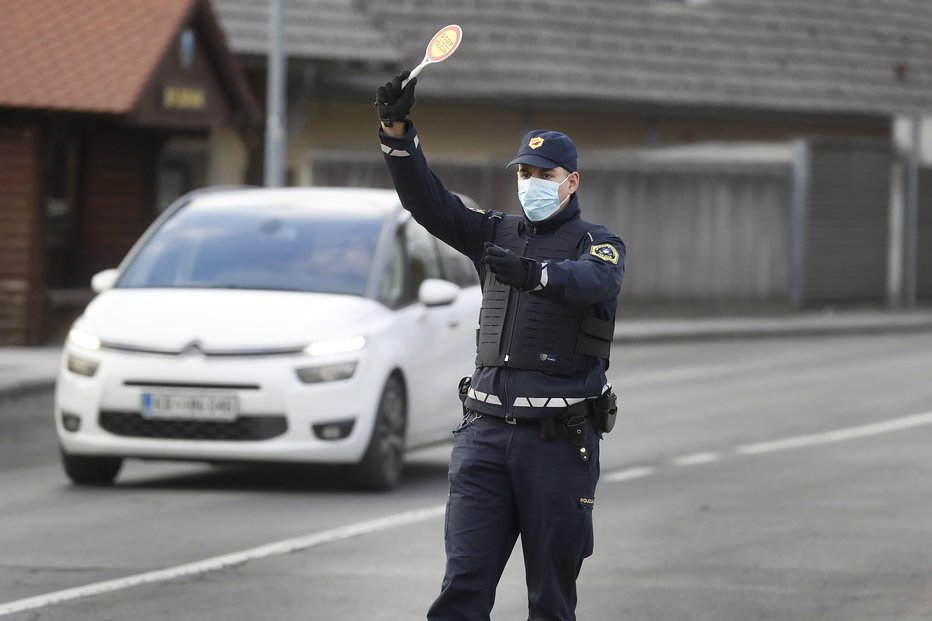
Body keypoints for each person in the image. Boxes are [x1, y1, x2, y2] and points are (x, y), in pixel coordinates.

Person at [376, 72, 625, 621]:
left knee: (550, 601)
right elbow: (429, 201)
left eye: (544, 173)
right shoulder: (494, 232)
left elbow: (594, 282)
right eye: (524, 172)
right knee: (461, 592)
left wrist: (534, 274)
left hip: (557, 445)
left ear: (572, 181)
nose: (531, 181)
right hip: (484, 438)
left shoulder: (599, 243)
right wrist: (397, 133)